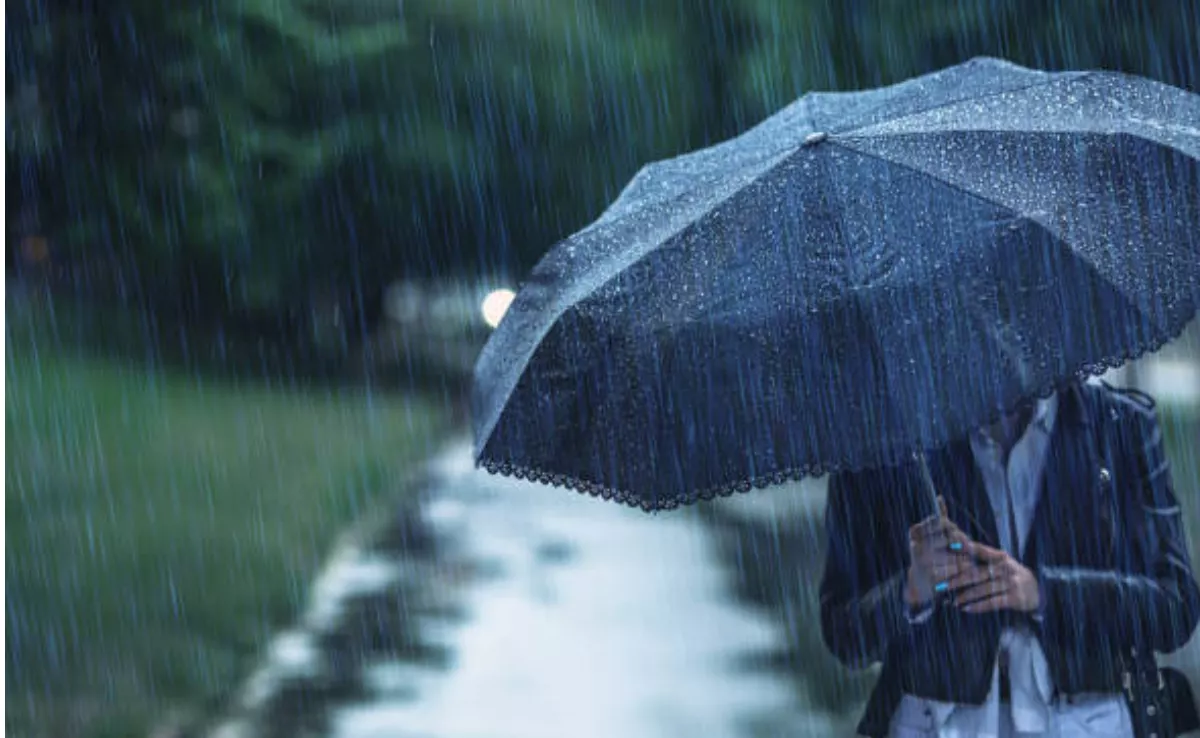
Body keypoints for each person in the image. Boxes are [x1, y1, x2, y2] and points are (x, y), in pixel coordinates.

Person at [819, 381, 1200, 738]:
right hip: (935, 720)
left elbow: (1174, 607)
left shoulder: (1118, 425)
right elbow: (844, 634)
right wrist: (911, 590)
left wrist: (1045, 593)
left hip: (1086, 720)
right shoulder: (882, 445)